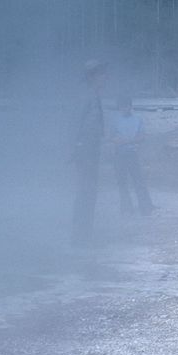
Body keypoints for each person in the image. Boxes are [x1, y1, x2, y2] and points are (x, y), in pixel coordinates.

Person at [72, 59, 107, 245]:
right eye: (102, 74)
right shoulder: (85, 95)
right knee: (85, 191)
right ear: (92, 76)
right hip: (85, 150)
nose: (105, 78)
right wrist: (76, 148)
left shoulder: (93, 94)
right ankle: (80, 237)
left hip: (92, 150)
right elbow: (75, 123)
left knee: (90, 191)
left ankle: (85, 235)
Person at [110, 95, 154, 216]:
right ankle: (126, 208)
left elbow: (142, 136)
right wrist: (119, 141)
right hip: (119, 154)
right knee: (122, 182)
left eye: (126, 106)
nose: (124, 109)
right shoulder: (114, 119)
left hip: (132, 153)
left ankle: (145, 207)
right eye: (122, 107)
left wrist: (127, 141)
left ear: (130, 106)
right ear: (119, 108)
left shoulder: (138, 119)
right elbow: (111, 137)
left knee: (138, 181)